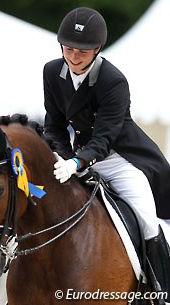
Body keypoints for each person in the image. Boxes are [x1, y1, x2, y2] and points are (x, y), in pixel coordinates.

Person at [43, 6, 170, 300]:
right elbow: (54, 124)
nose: (74, 57)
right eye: (69, 48)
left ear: (98, 48)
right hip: (76, 160)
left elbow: (104, 139)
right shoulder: (52, 71)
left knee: (147, 220)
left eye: (82, 52)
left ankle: (161, 290)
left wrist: (77, 162)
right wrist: (63, 157)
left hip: (121, 159)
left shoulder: (113, 81)